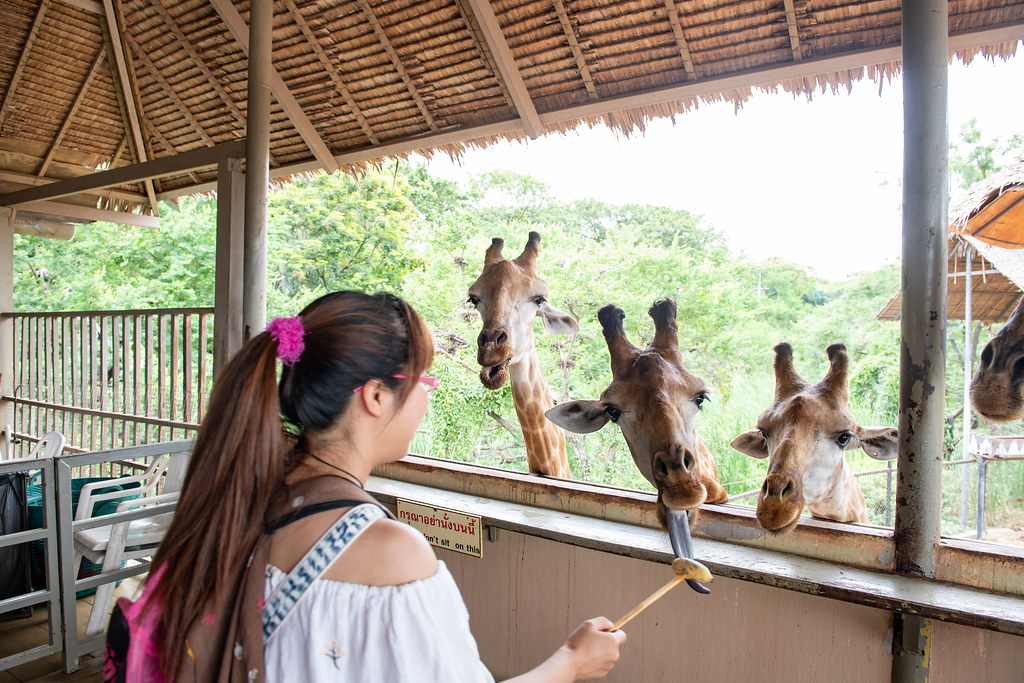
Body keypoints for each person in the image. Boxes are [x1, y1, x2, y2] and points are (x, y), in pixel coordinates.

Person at [138, 290, 626, 682]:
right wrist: (570, 663)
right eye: (423, 381)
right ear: (374, 396)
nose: (427, 396)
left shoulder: (242, 497)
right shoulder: (389, 552)